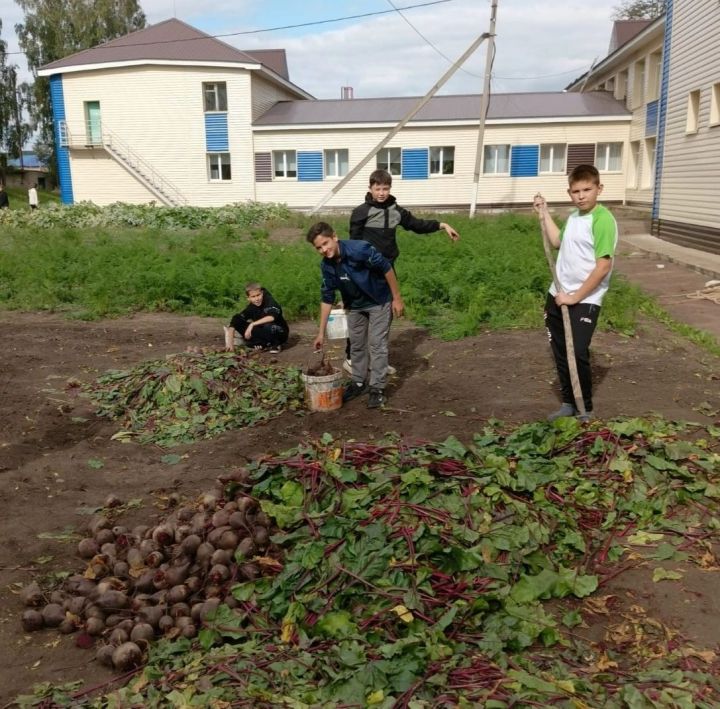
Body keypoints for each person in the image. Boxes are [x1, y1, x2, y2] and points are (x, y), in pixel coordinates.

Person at [343, 168, 460, 374]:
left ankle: (379, 360)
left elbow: (416, 224)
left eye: (385, 188)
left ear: (390, 189)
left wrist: (442, 225)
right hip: (364, 272)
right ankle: (352, 358)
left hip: (387, 270)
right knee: (361, 315)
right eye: (377, 188)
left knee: (385, 315)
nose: (381, 193)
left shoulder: (396, 211)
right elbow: (352, 245)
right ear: (370, 188)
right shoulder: (361, 212)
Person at [533, 164, 618, 422]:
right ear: (569, 192)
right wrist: (544, 213)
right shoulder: (574, 217)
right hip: (558, 294)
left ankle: (585, 408)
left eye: (587, 190)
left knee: (578, 351)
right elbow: (558, 242)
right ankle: (568, 402)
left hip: (584, 299)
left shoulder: (603, 220)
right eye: (575, 191)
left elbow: (603, 266)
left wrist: (575, 297)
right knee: (560, 350)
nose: (581, 196)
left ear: (599, 189)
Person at [307, 221, 404, 409]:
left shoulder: (360, 250)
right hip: (354, 306)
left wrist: (397, 298)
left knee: (377, 345)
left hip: (379, 301)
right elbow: (327, 298)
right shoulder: (327, 265)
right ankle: (358, 382)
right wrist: (321, 333)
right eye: (318, 247)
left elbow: (386, 268)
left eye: (325, 243)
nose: (323, 250)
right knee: (357, 345)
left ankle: (377, 389)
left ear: (334, 237)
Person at [225, 283, 289, 353]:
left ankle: (275, 344)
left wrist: (252, 325)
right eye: (253, 296)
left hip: (280, 332)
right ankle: (261, 344)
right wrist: (230, 343)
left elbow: (271, 317)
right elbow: (235, 321)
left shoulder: (270, 301)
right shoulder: (251, 307)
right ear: (248, 298)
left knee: (268, 326)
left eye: (258, 295)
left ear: (262, 293)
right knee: (237, 319)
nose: (257, 299)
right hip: (264, 333)